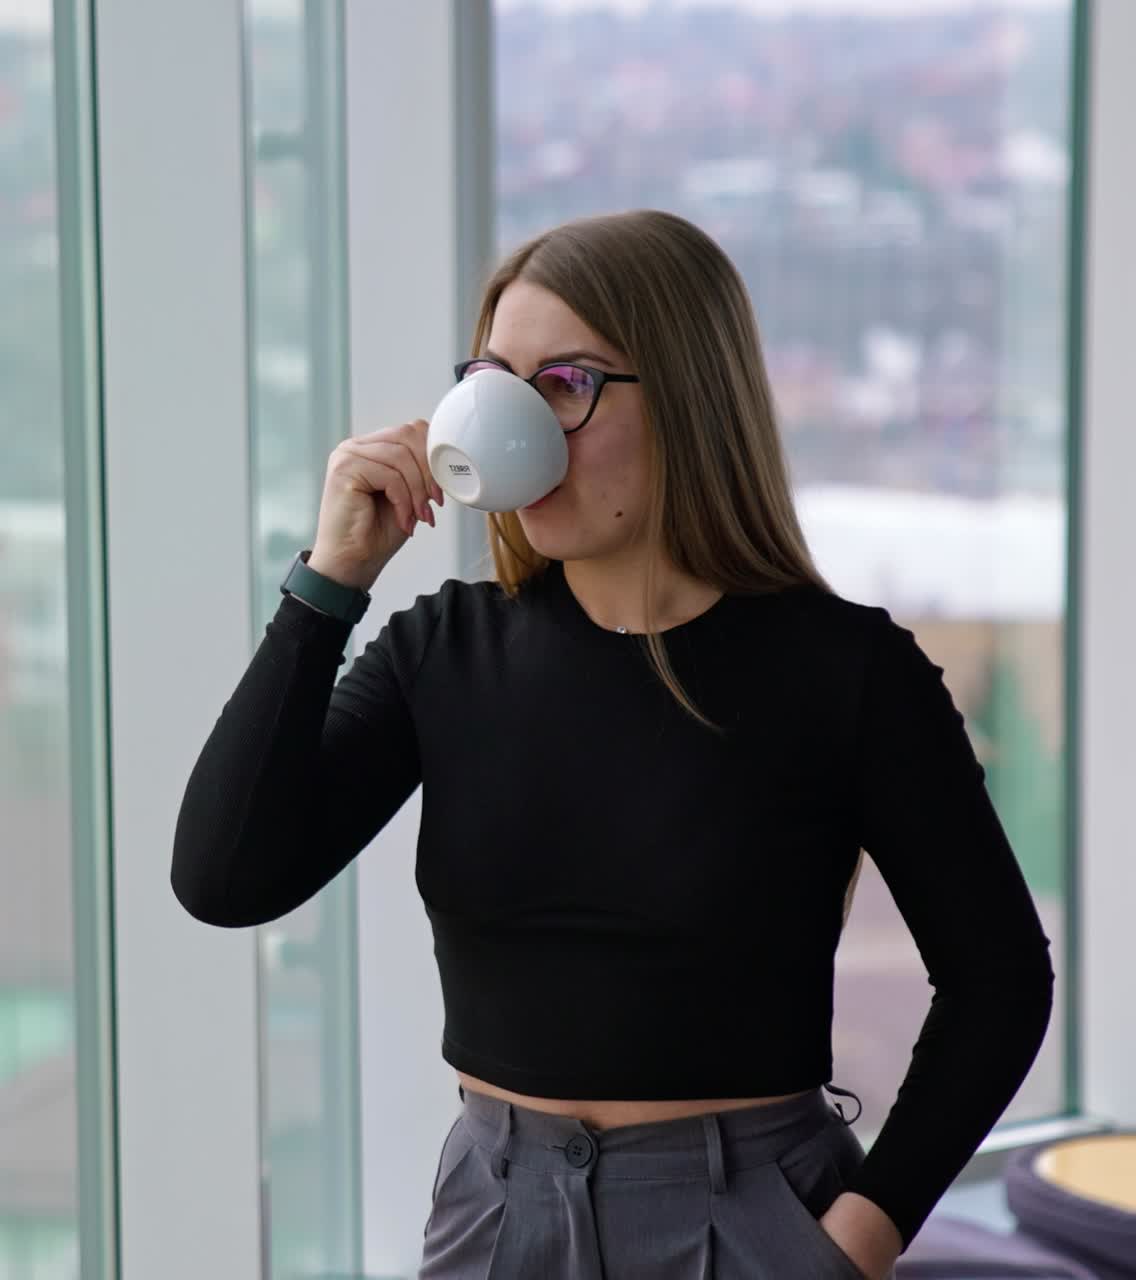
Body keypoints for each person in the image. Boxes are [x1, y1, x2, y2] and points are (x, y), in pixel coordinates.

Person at [171, 209, 1054, 1280]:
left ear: (686, 398)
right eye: (495, 382)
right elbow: (226, 877)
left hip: (753, 1223)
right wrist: (328, 583)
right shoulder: (442, 652)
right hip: (494, 1219)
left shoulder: (846, 671)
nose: (520, 424)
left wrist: (860, 1237)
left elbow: (1000, 979)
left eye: (564, 384)